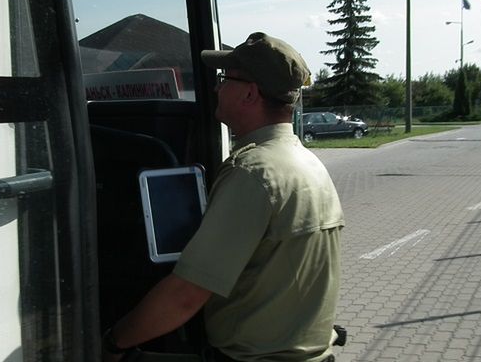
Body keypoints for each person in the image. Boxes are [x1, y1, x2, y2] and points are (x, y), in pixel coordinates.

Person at [102, 32, 345, 362]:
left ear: (249, 93)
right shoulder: (306, 162)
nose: (216, 88)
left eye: (224, 79)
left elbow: (186, 295)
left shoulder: (253, 172)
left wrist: (113, 342)